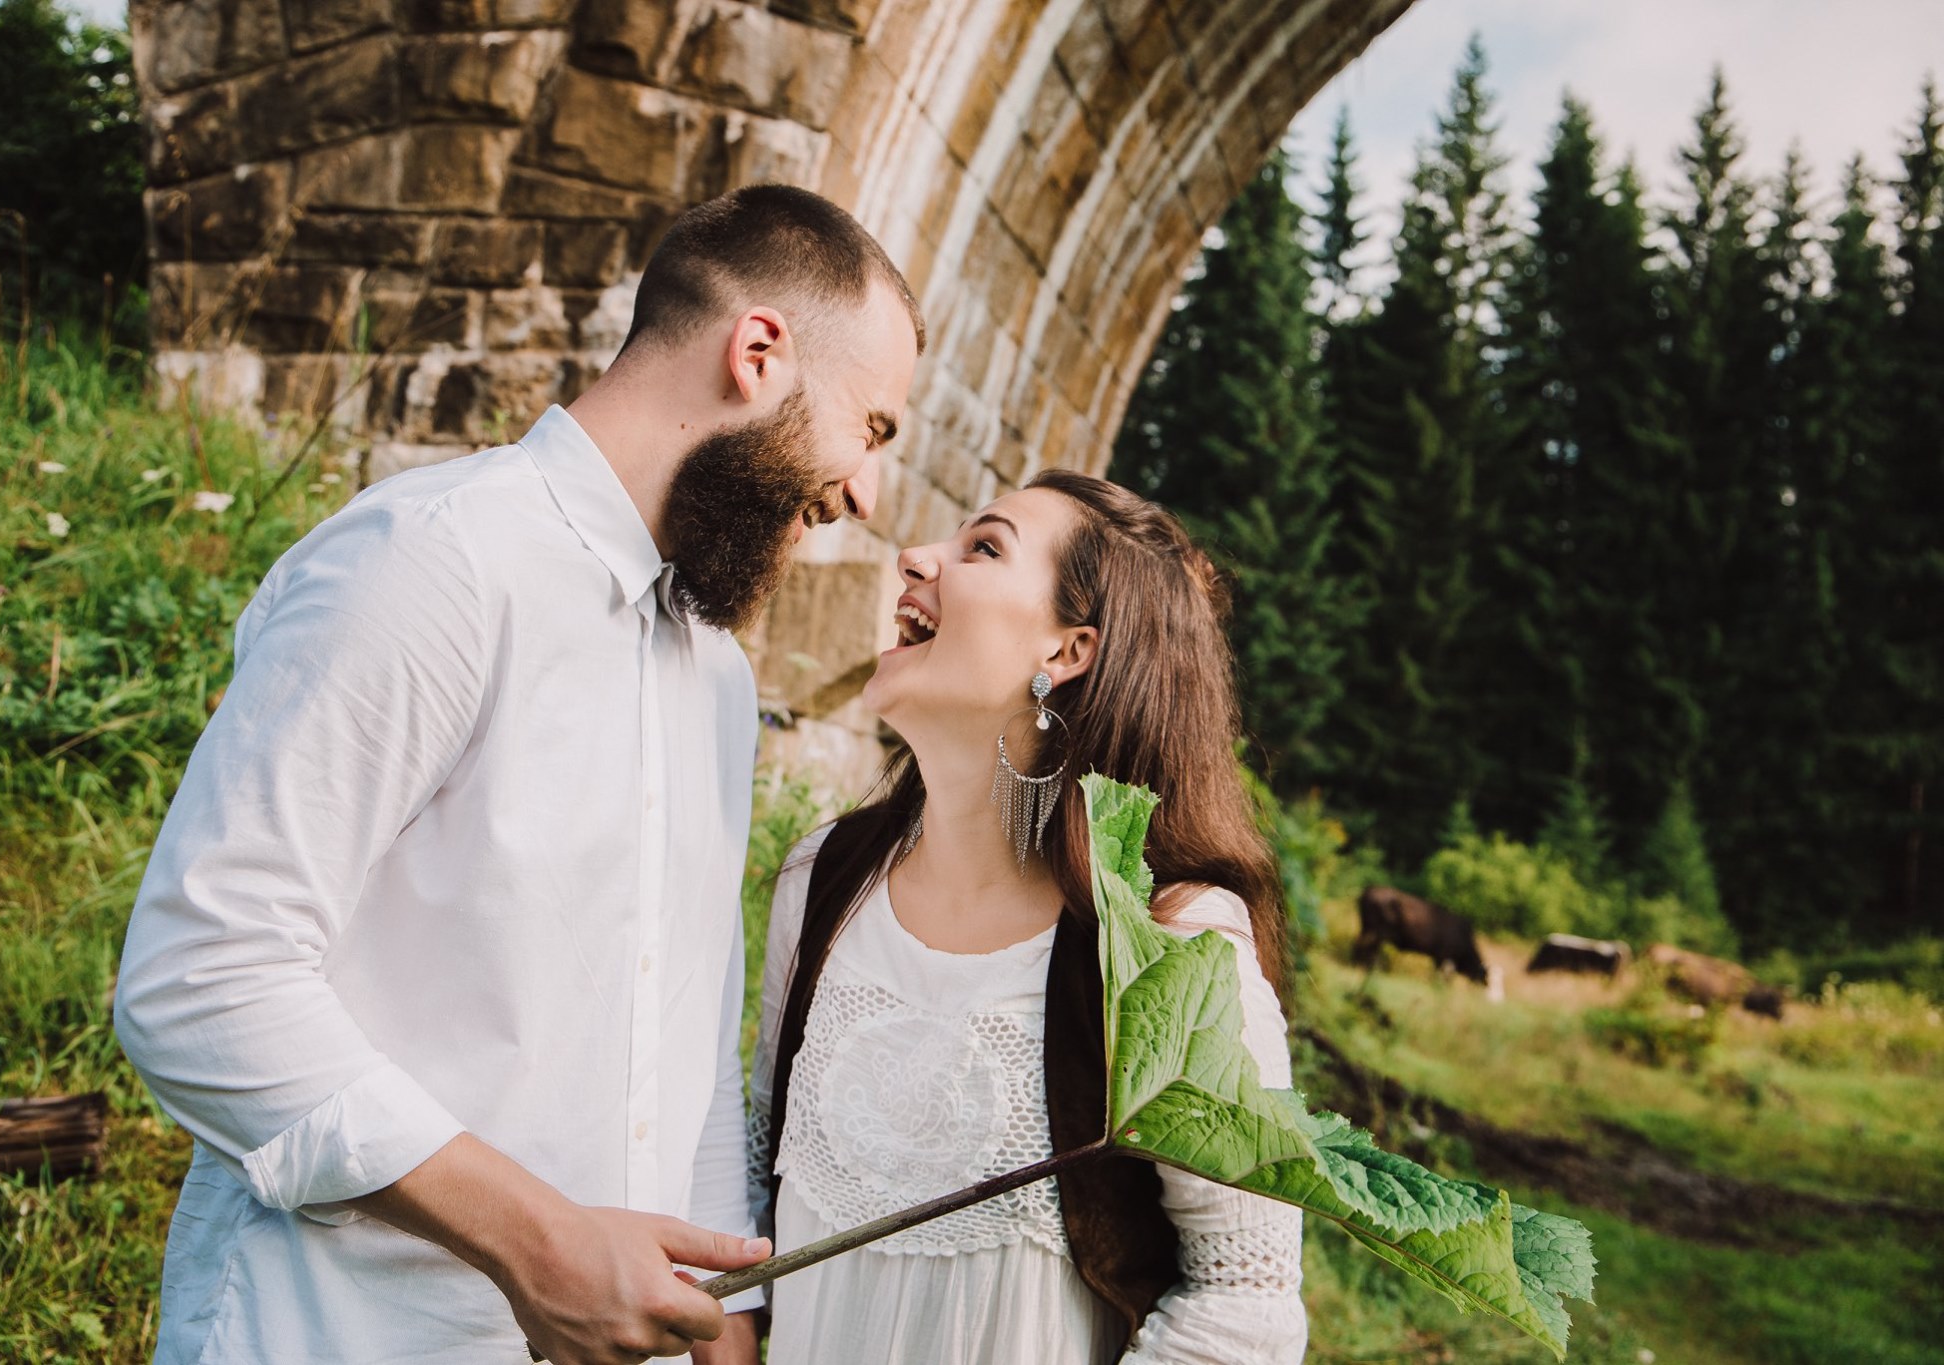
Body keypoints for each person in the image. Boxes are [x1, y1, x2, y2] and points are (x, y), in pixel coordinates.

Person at [112, 184, 925, 1365]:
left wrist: (725, 1327)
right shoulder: (433, 566)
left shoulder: (715, 677)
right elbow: (198, 981)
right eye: (872, 427)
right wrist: (537, 1243)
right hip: (338, 1335)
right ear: (756, 354)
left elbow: (685, 1043)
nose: (863, 492)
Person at [748, 472, 1308, 1363]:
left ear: (1071, 649)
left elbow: (1245, 1303)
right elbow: (752, 1164)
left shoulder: (1171, 944)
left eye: (985, 547)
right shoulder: (822, 878)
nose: (915, 557)